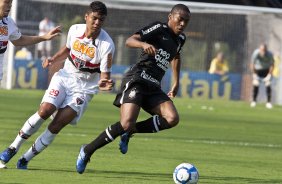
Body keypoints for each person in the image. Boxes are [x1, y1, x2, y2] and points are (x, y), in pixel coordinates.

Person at [76, 4, 190, 174]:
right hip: (137, 79)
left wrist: (176, 82)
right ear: (170, 17)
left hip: (153, 86)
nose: (182, 24)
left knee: (172, 118)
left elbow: (176, 56)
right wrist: (143, 45)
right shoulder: (159, 28)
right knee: (126, 123)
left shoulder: (181, 39)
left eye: (186, 21)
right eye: (179, 19)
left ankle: (129, 132)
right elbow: (130, 40)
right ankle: (87, 150)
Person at [0, 1, 115, 169]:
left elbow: (105, 76)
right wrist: (54, 58)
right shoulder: (75, 30)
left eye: (101, 20)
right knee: (44, 110)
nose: (97, 23)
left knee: (58, 123)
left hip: (83, 89)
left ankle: (25, 159)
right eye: (94, 18)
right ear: (87, 17)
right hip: (65, 77)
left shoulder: (107, 45)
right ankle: (12, 148)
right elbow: (68, 49)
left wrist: (104, 84)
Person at [0, 0, 61, 83]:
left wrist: (43, 37)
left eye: (11, 2)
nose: (10, 5)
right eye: (7, 2)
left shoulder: (8, 22)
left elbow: (19, 40)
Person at [250, 43, 274, 109]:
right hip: (258, 71)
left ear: (266, 50)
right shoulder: (256, 53)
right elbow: (252, 64)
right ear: (259, 49)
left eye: (264, 50)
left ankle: (268, 102)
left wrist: (269, 75)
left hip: (266, 71)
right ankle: (254, 101)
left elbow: (272, 65)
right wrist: (254, 73)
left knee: (268, 84)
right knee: (256, 83)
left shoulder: (269, 54)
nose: (263, 51)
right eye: (262, 50)